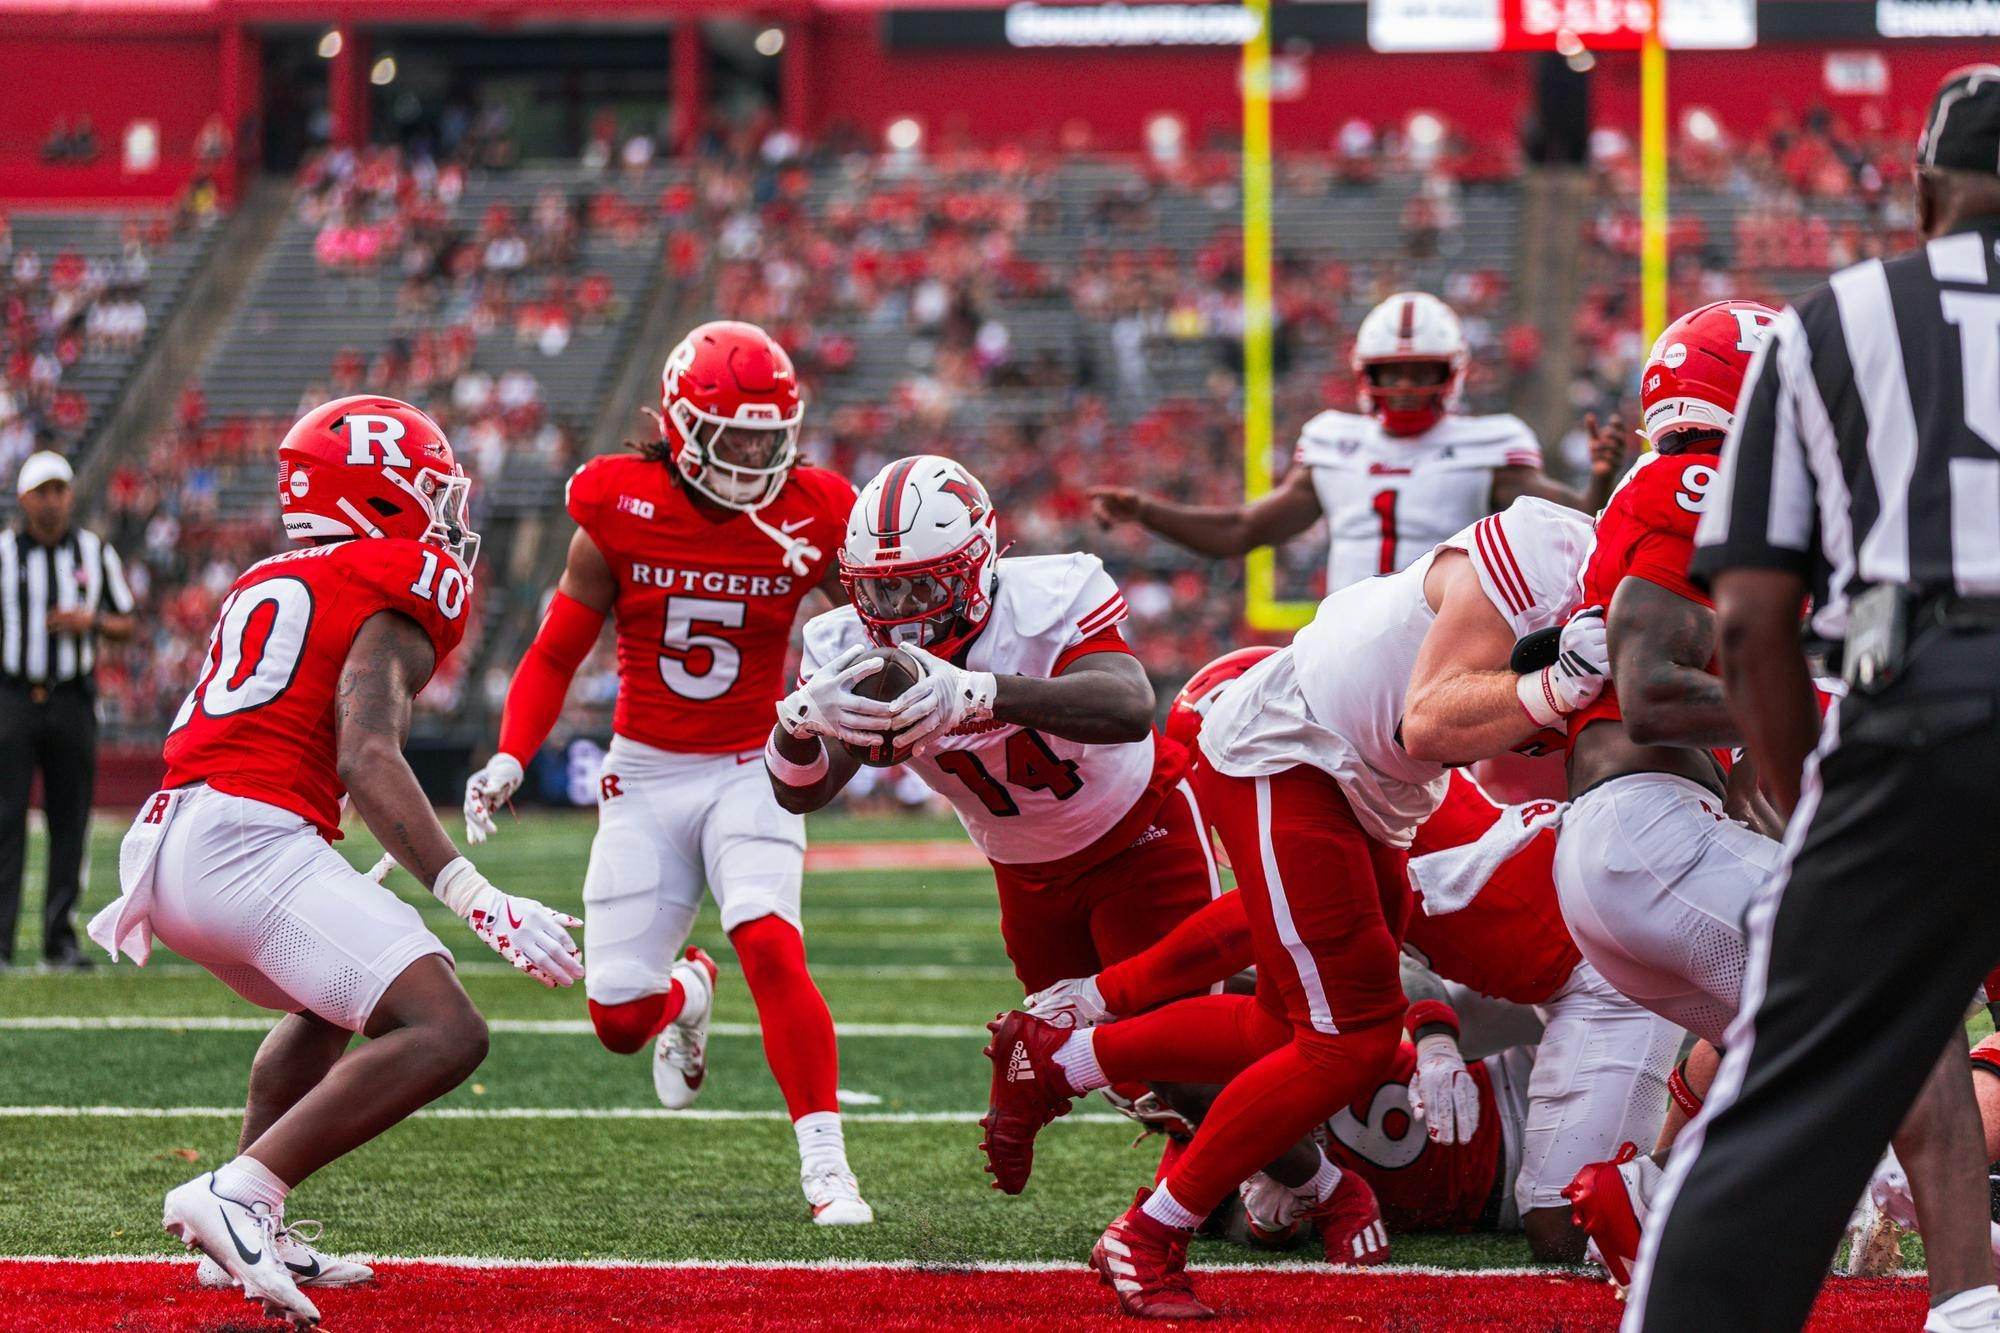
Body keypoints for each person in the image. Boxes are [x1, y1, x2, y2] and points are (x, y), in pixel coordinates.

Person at [980, 495, 1606, 1318]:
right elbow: (1430, 722)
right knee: (1351, 1039)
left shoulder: (1600, 580)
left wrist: (1101, 999)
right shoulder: (1548, 547)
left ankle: (1062, 1060)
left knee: (1293, 1023)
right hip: (1307, 755)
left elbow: (1251, 921)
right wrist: (1558, 683)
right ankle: (1148, 1233)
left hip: (1364, 780)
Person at [1626, 67, 2000, 1333]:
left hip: (1919, 704)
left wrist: (1798, 797)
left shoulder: (1834, 323)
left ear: (1921, 192)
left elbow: (1743, 621)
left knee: (1790, 1098)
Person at [84, 397, 581, 1330]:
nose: (446, 518)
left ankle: (245, 1218)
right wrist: (477, 896)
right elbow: (366, 752)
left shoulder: (277, 572)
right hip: (243, 843)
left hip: (177, 835)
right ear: (377, 498)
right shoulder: (394, 578)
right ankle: (240, 1192)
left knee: (328, 1005)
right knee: (446, 1030)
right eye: (429, 494)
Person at [1030, 648, 1680, 1262]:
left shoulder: (1354, 787)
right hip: (1521, 977)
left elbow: (1246, 928)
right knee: (1304, 1001)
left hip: (1594, 975)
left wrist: (1106, 996)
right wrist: (1271, 1190)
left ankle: (1721, 1169)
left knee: (1567, 1230)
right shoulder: (1360, 768)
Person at [461, 320, 873, 1225]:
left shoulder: (814, 509)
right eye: (741, 438)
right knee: (615, 1018)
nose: (762, 455)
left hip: (751, 768)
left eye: (775, 435)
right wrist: (508, 754)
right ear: (684, 428)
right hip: (645, 774)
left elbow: (878, 629)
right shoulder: (618, 503)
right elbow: (554, 651)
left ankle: (827, 1166)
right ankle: (689, 990)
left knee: (770, 939)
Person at [1088, 291, 1627, 592]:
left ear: (1453, 372)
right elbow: (1241, 529)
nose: (1408, 388)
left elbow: (1576, 526)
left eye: (1422, 372)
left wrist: (1602, 478)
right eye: (1393, 373)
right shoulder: (1334, 440)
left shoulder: (1490, 444)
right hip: (1346, 644)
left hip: (1443, 643)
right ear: (1366, 374)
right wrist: (1147, 511)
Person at [0, 450, 135, 971]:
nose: (52, 500)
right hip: (11, 698)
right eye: (43, 491)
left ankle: (59, 941)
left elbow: (126, 621)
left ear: (70, 495)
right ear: (24, 498)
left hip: (72, 699)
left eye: (59, 490)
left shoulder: (94, 552)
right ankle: (1, 944)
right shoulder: (5, 554)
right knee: (4, 820)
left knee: (70, 821)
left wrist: (91, 623)